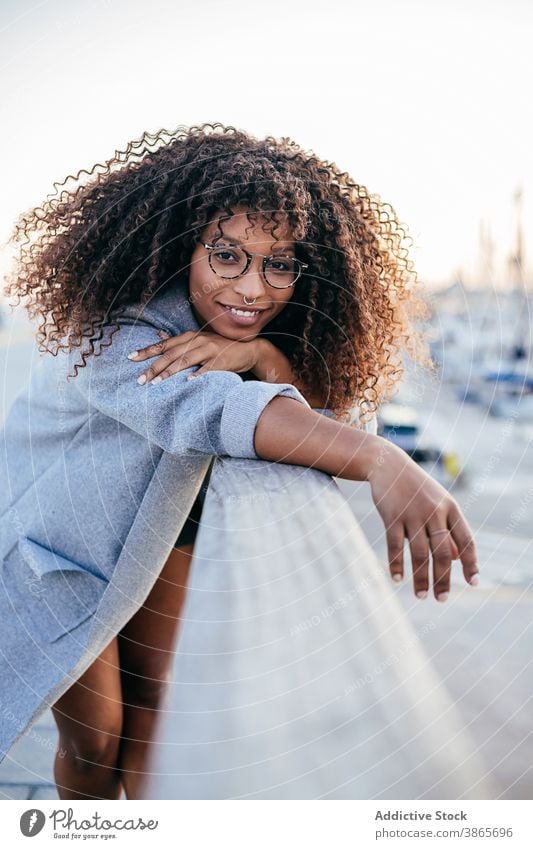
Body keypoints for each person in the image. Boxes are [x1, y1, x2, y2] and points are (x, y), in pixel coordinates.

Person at [0, 122, 479, 800]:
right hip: (56, 546)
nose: (252, 287)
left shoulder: (265, 330)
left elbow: (325, 410)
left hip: (159, 529)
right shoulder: (119, 331)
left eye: (278, 263)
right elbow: (210, 410)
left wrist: (258, 357)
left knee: (155, 713)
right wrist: (381, 460)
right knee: (96, 738)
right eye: (227, 256)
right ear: (179, 249)